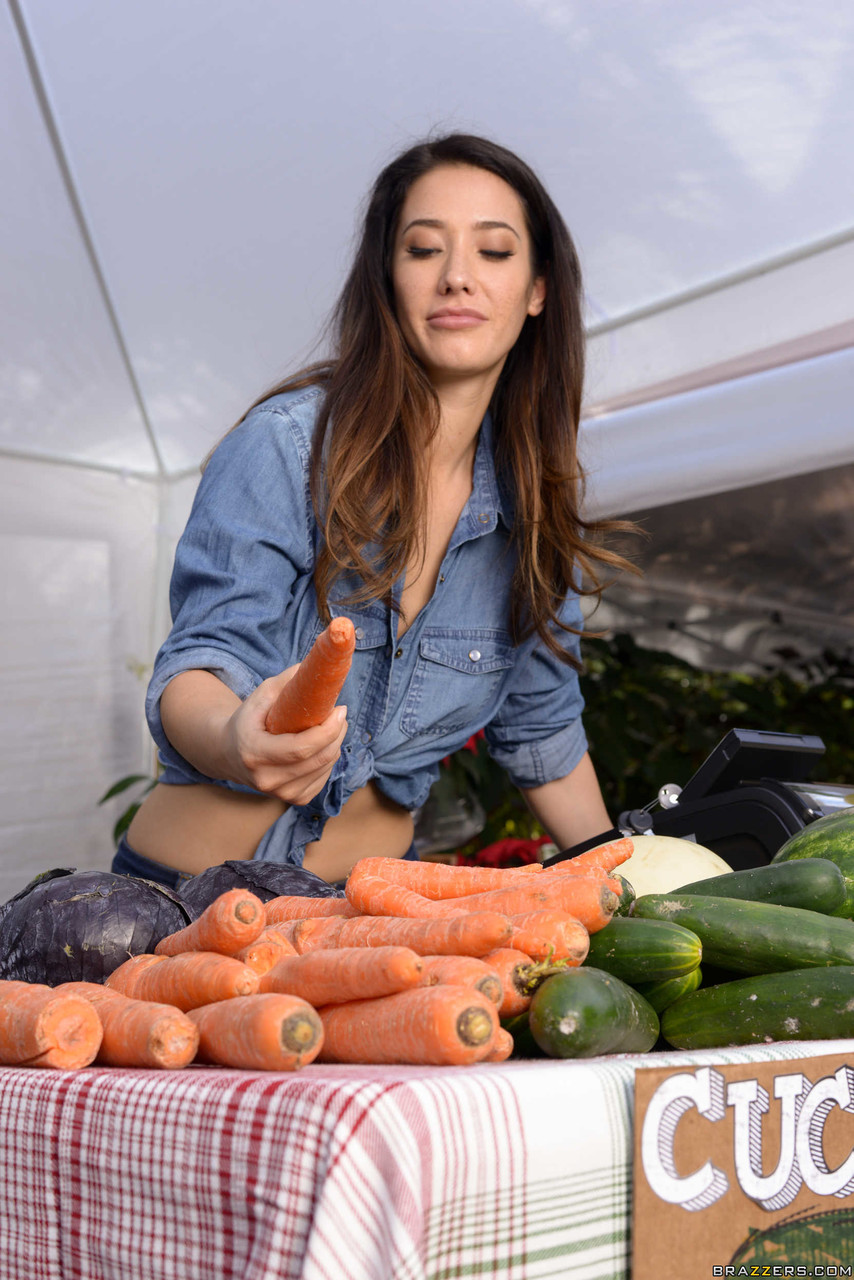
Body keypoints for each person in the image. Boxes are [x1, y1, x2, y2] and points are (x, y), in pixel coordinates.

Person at [114, 132, 634, 890]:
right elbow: (200, 660)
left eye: (493, 252)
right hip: (180, 904)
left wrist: (629, 886)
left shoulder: (533, 513)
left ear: (538, 290)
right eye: (423, 250)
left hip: (367, 925)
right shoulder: (289, 447)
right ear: (388, 279)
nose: (457, 277)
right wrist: (236, 739)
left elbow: (543, 732)